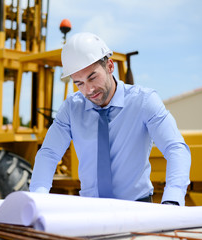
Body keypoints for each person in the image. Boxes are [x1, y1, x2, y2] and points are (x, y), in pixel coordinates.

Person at [29, 32, 191, 206]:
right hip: (91, 212)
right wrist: (38, 199)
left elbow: (175, 148)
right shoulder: (71, 108)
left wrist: (172, 200)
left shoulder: (144, 101)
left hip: (138, 207)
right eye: (79, 83)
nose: (89, 90)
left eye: (92, 77)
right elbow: (49, 154)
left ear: (110, 66)